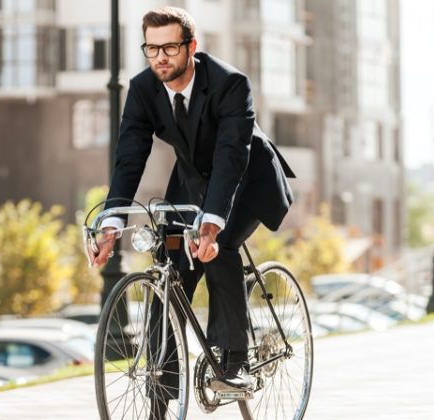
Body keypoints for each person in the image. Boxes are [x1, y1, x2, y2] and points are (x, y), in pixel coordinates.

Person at [89, 6, 295, 418]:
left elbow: (231, 154)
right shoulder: (144, 89)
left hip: (247, 180)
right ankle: (161, 393)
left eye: (169, 47)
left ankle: (233, 363)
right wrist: (112, 221)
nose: (160, 57)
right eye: (151, 48)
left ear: (191, 47)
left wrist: (212, 222)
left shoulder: (229, 84)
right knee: (168, 268)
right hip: (191, 182)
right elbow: (130, 158)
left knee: (218, 247)